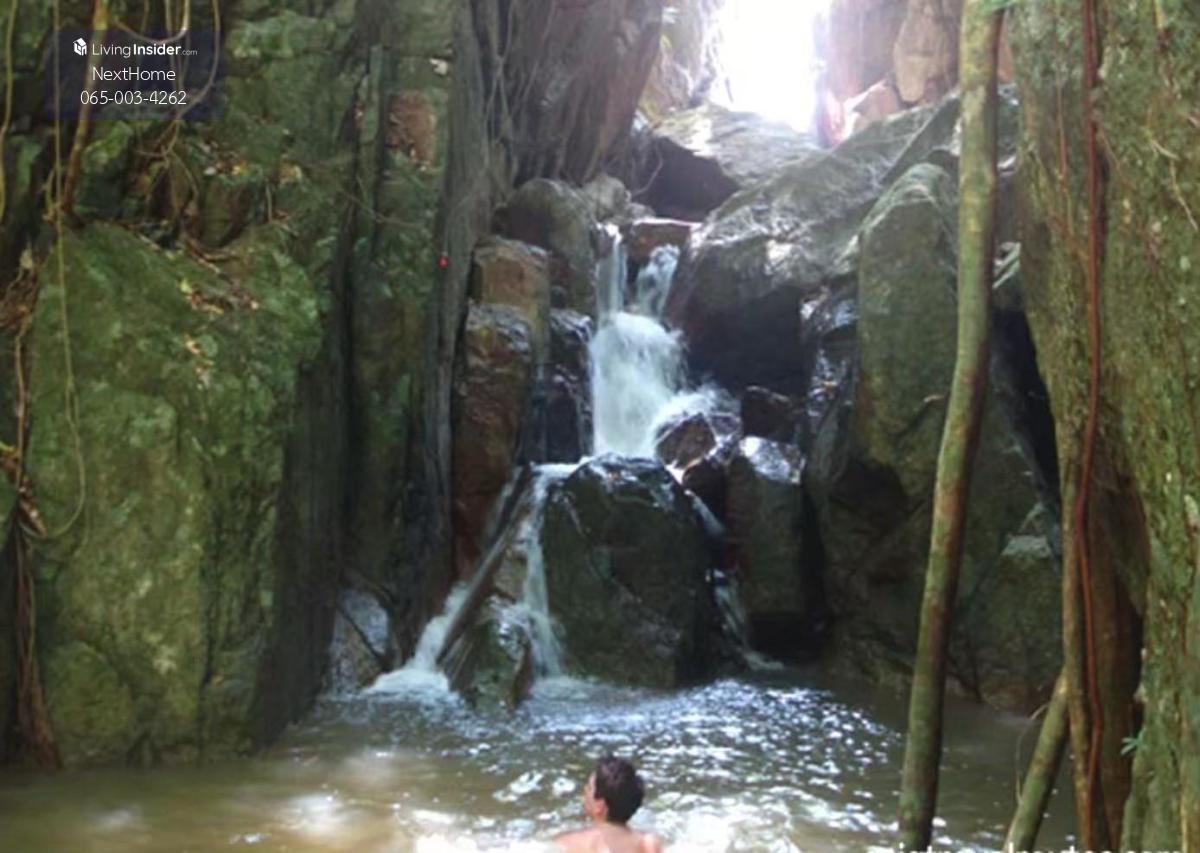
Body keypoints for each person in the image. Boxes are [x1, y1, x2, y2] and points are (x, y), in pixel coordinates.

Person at [554, 755, 663, 853]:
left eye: (590, 788)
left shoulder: (571, 843)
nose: (585, 790)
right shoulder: (648, 843)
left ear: (600, 806)